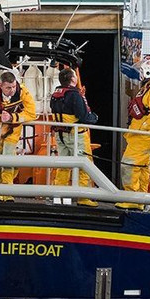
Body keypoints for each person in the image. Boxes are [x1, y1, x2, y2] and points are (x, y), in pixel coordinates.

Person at [118, 59, 150, 210]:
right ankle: (140, 199)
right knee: (141, 167)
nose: (140, 74)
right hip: (140, 135)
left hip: (144, 135)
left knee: (128, 165)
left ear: (149, 72)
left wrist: (141, 129)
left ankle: (132, 199)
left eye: (142, 71)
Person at [0, 71, 36, 201]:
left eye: (14, 86)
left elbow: (32, 113)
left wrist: (12, 117)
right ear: (0, 85)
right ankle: (0, 189)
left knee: (8, 159)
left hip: (13, 130)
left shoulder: (23, 92)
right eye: (8, 87)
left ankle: (7, 191)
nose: (12, 90)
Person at [49, 68, 99, 207]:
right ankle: (83, 197)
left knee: (63, 166)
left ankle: (58, 195)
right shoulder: (74, 95)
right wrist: (94, 117)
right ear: (72, 79)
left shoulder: (55, 94)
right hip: (76, 135)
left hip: (60, 136)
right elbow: (83, 117)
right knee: (85, 165)